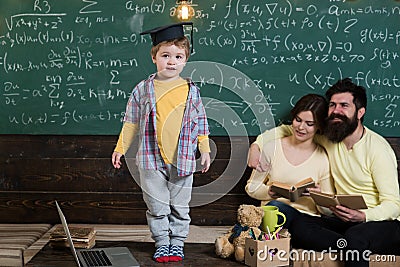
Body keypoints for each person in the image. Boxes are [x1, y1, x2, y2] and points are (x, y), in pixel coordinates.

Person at [248, 78, 400, 267]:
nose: (336, 111)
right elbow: (289, 129)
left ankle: (355, 245)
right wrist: (257, 145)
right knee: (300, 224)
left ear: (360, 112)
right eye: (333, 105)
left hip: (380, 222)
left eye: (344, 105)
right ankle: (348, 246)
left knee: (355, 236)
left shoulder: (378, 149)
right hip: (343, 219)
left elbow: (394, 205)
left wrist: (363, 216)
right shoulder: (330, 138)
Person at [111, 22, 211, 263]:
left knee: (180, 205)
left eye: (178, 56)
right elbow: (131, 122)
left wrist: (205, 149)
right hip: (150, 158)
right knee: (156, 204)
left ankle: (177, 242)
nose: (172, 61)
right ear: (154, 57)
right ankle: (162, 242)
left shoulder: (191, 90)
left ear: (186, 59)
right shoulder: (143, 90)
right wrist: (120, 148)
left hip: (183, 158)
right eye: (165, 55)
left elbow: (200, 121)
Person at [246, 94, 334, 230]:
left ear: (319, 127)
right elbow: (252, 187)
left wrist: (318, 197)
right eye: (298, 120)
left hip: (306, 221)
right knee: (277, 207)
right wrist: (269, 192)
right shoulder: (271, 148)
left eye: (309, 124)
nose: (301, 127)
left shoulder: (323, 157)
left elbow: (328, 211)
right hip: (275, 217)